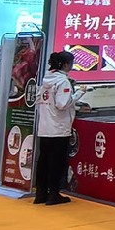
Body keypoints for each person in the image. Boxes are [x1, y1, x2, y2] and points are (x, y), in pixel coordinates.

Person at [34, 52, 83, 205]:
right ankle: (53, 194)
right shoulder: (62, 82)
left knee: (43, 162)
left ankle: (41, 194)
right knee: (56, 163)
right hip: (59, 129)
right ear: (66, 64)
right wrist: (79, 93)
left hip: (44, 127)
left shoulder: (46, 80)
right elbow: (62, 104)